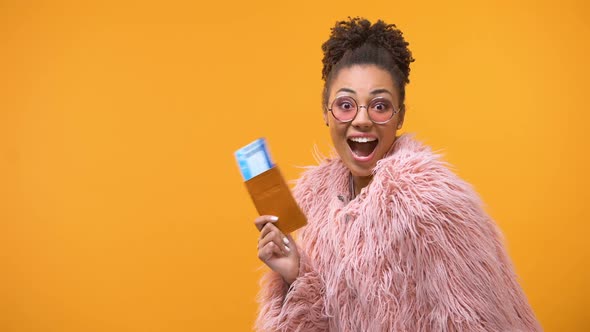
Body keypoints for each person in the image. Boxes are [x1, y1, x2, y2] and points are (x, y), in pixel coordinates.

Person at [253, 17, 541, 331]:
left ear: (400, 115)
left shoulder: (431, 203)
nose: (362, 120)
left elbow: (478, 321)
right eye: (346, 105)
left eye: (379, 105)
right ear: (326, 111)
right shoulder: (317, 203)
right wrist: (295, 275)